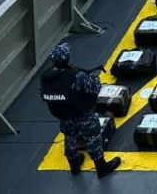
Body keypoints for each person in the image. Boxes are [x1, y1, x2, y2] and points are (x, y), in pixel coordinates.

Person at [39, 43, 121, 178]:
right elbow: (94, 89)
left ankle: (74, 165)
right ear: (66, 58)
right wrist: (95, 78)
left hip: (63, 114)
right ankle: (101, 168)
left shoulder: (47, 77)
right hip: (82, 114)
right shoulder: (76, 76)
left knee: (70, 137)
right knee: (92, 138)